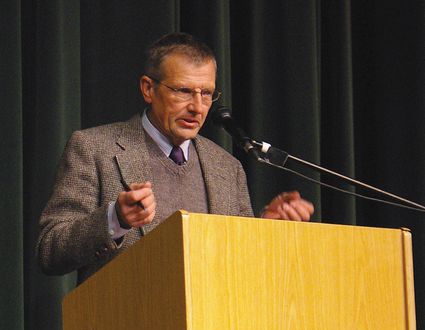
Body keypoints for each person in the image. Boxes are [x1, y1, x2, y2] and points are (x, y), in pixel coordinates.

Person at [37, 33, 314, 284]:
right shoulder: (93, 148)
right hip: (125, 328)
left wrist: (264, 228)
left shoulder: (227, 167)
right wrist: (116, 218)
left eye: (206, 94)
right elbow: (51, 249)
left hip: (213, 329)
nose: (197, 107)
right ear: (148, 89)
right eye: (182, 91)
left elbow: (239, 263)